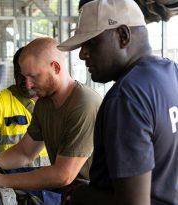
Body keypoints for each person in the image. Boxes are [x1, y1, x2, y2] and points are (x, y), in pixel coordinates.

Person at [57, 0, 178, 204]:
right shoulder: (171, 73)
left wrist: (78, 195)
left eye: (91, 43)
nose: (82, 53)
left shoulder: (126, 97)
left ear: (123, 36)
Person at [0, 37, 101, 193]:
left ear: (55, 67)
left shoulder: (84, 104)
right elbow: (24, 153)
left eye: (33, 76)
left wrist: (0, 180)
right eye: (24, 77)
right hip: (71, 195)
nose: (28, 85)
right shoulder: (44, 104)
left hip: (96, 195)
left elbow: (63, 175)